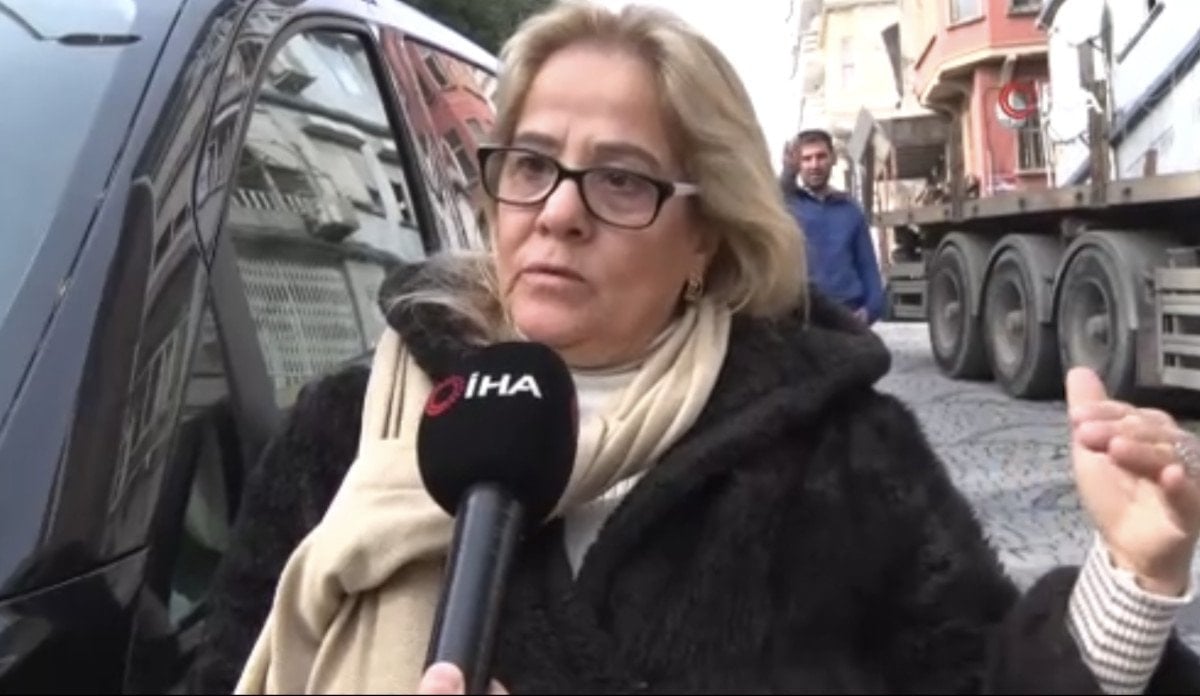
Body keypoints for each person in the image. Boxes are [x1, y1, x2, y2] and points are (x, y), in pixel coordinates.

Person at [190, 2, 1200, 694]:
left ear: (706, 237)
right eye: (530, 165)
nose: (559, 213)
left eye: (621, 180)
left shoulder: (838, 455)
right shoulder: (348, 432)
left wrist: (1132, 575)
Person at [780, 127, 886, 325]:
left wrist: (871, 309)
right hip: (805, 318)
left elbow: (867, 265)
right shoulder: (789, 206)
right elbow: (773, 201)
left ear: (833, 158)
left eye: (821, 156)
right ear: (798, 164)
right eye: (806, 159)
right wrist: (787, 173)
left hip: (848, 314)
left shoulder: (850, 210)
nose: (814, 165)